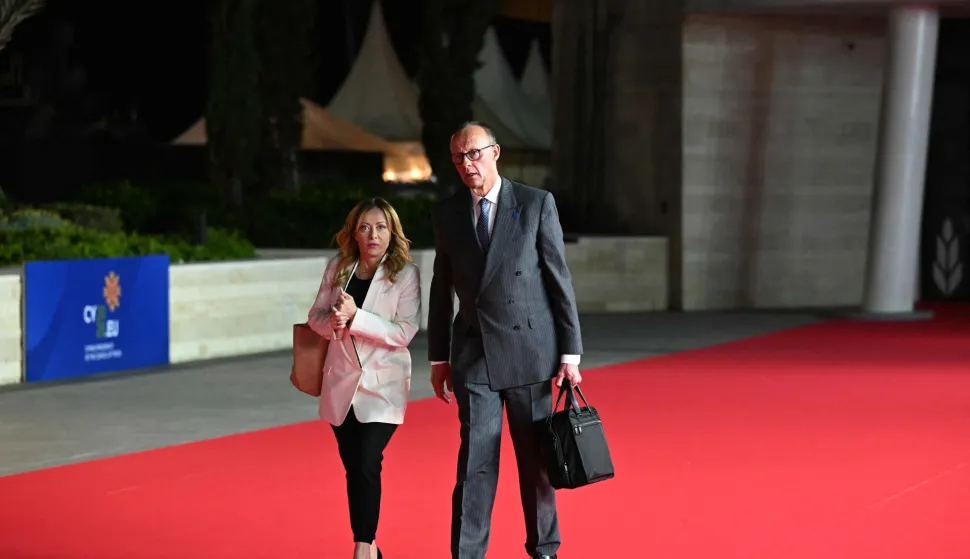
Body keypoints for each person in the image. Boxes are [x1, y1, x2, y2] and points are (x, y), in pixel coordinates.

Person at [427, 122, 584, 559]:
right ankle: (468, 554)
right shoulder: (447, 214)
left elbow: (559, 282)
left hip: (530, 354)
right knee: (474, 463)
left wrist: (570, 353)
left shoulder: (535, 205)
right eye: (458, 157)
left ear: (495, 152)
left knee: (534, 462)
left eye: (474, 154)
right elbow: (441, 293)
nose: (467, 164)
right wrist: (439, 358)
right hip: (473, 354)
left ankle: (544, 549)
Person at [308, 198, 422, 559]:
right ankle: (371, 546)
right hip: (341, 383)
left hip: (382, 386)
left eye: (381, 227)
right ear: (353, 233)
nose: (373, 234)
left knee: (368, 458)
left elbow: (404, 331)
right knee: (354, 466)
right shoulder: (338, 268)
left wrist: (356, 318)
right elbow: (315, 318)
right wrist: (334, 322)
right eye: (365, 227)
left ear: (393, 232)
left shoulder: (405, 274)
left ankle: (362, 547)